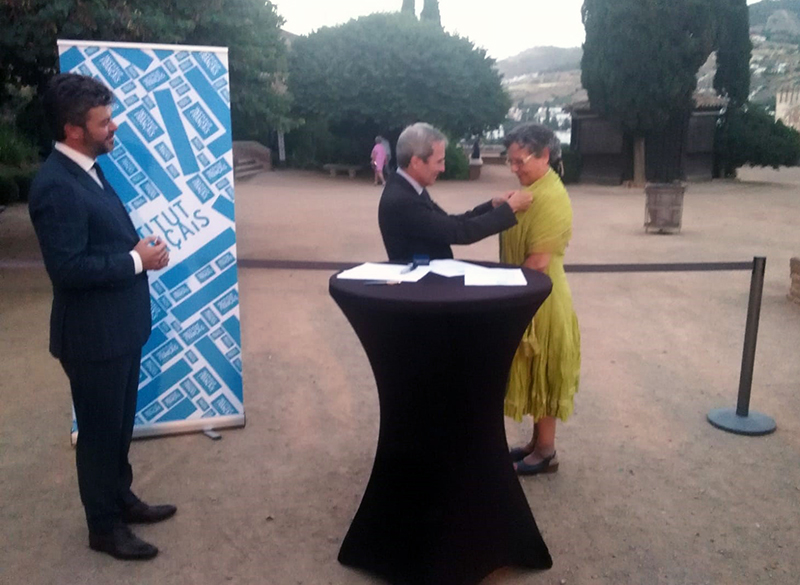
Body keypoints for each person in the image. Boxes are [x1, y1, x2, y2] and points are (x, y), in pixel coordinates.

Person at [28, 73, 176, 560]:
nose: (114, 128)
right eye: (104, 121)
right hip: (92, 338)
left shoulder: (88, 167)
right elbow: (67, 268)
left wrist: (139, 251)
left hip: (119, 328)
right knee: (97, 436)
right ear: (74, 130)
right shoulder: (55, 186)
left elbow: (101, 240)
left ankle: (121, 499)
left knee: (116, 428)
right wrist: (137, 261)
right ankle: (104, 528)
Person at [500, 123, 581, 476]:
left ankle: (546, 451)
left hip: (542, 298)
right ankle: (537, 443)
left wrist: (507, 298)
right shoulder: (533, 189)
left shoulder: (551, 196)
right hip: (529, 292)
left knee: (544, 370)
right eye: (511, 162)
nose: (515, 169)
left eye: (521, 161)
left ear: (545, 155)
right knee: (534, 370)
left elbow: (538, 262)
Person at [378, 122, 532, 261]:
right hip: (421, 288)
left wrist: (492, 205)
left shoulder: (408, 188)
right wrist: (509, 209)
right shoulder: (402, 200)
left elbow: (450, 222)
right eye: (439, 161)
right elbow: (458, 231)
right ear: (416, 162)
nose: (443, 168)